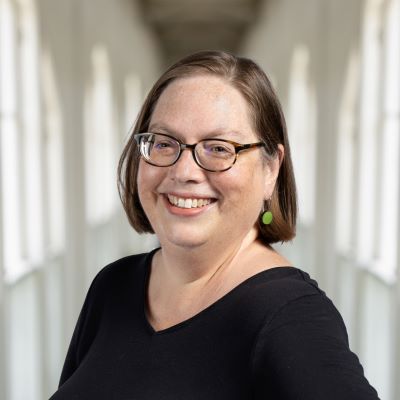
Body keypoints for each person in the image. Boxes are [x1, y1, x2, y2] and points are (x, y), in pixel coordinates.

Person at [50, 51, 380, 399]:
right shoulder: (113, 286)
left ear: (270, 170)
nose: (184, 171)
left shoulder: (290, 318)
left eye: (219, 149)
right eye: (164, 143)